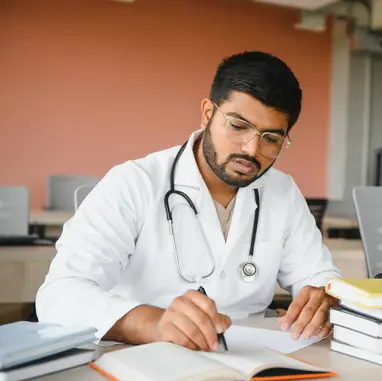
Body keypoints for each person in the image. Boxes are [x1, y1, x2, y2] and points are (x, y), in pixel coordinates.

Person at [36, 51, 341, 352]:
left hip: (254, 361)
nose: (251, 150)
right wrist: (152, 324)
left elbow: (318, 276)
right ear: (208, 113)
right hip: (144, 359)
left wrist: (326, 296)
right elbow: (60, 294)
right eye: (238, 126)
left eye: (271, 138)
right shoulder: (134, 182)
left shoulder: (283, 191)